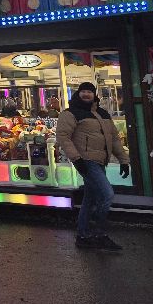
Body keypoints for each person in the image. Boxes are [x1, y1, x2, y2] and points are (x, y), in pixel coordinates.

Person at [56, 82, 130, 250]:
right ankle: (100, 234)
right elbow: (63, 137)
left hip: (100, 160)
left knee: (90, 199)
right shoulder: (70, 113)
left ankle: (83, 235)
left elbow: (114, 139)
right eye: (83, 91)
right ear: (78, 93)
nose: (86, 94)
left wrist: (123, 160)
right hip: (86, 161)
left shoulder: (102, 113)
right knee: (107, 195)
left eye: (89, 91)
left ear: (94, 94)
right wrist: (76, 159)